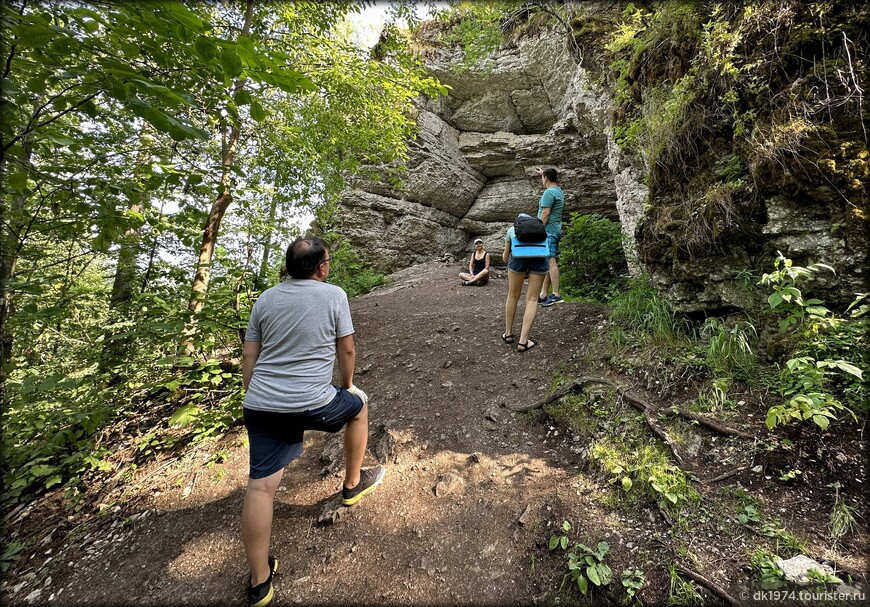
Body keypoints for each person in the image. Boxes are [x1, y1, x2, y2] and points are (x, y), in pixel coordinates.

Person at [241, 236, 385, 607]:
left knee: (260, 488)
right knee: (358, 408)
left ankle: (260, 583)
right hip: (313, 402)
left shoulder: (266, 298)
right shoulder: (333, 294)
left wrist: (254, 397)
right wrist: (349, 386)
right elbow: (347, 347)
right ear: (321, 267)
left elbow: (250, 355)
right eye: (328, 261)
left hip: (261, 404)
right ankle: (353, 485)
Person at [502, 223, 549, 352]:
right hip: (539, 259)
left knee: (513, 295)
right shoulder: (541, 231)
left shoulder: (511, 230)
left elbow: (505, 258)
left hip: (517, 259)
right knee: (532, 299)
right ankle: (523, 341)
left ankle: (508, 334)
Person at [535, 167, 565, 307]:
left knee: (551, 261)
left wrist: (538, 228)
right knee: (548, 260)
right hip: (555, 230)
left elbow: (546, 212)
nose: (542, 180)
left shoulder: (548, 193)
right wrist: (544, 173)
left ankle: (556, 294)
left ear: (546, 178)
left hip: (548, 231)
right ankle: (543, 294)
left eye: (543, 177)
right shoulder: (558, 191)